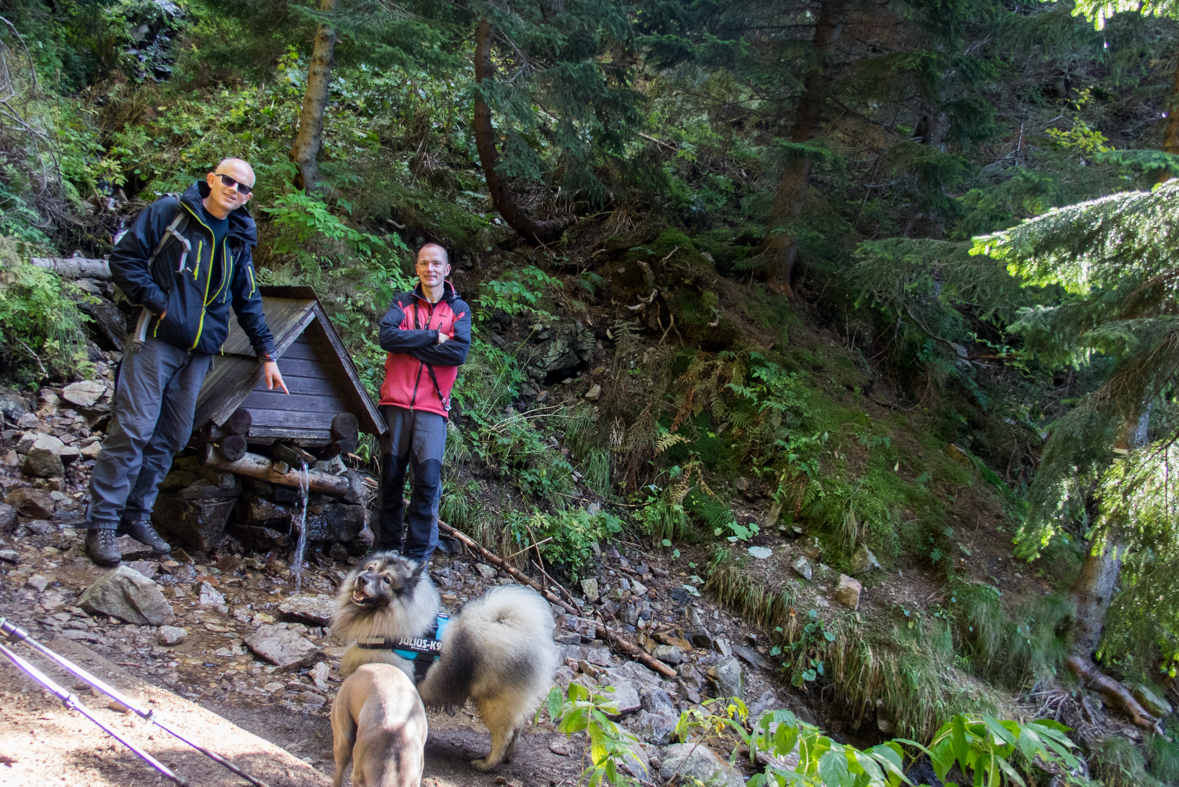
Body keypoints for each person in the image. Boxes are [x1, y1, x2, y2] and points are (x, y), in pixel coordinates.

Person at [84, 158, 288, 567]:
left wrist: (267, 353)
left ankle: (136, 516)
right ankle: (102, 522)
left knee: (172, 438)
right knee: (133, 430)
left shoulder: (237, 236)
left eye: (244, 188)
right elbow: (124, 260)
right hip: (155, 340)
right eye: (228, 181)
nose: (235, 190)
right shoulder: (171, 213)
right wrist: (158, 303)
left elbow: (247, 300)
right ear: (212, 179)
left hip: (200, 353)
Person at [376, 243, 471, 563]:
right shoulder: (402, 303)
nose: (430, 269)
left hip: (432, 410)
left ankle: (416, 563)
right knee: (389, 482)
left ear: (447, 270)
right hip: (395, 405)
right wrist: (431, 338)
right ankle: (386, 555)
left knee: (426, 486)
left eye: (436, 264)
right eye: (423, 263)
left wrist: (410, 344)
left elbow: (458, 353)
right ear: (416, 268)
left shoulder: (459, 310)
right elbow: (387, 338)